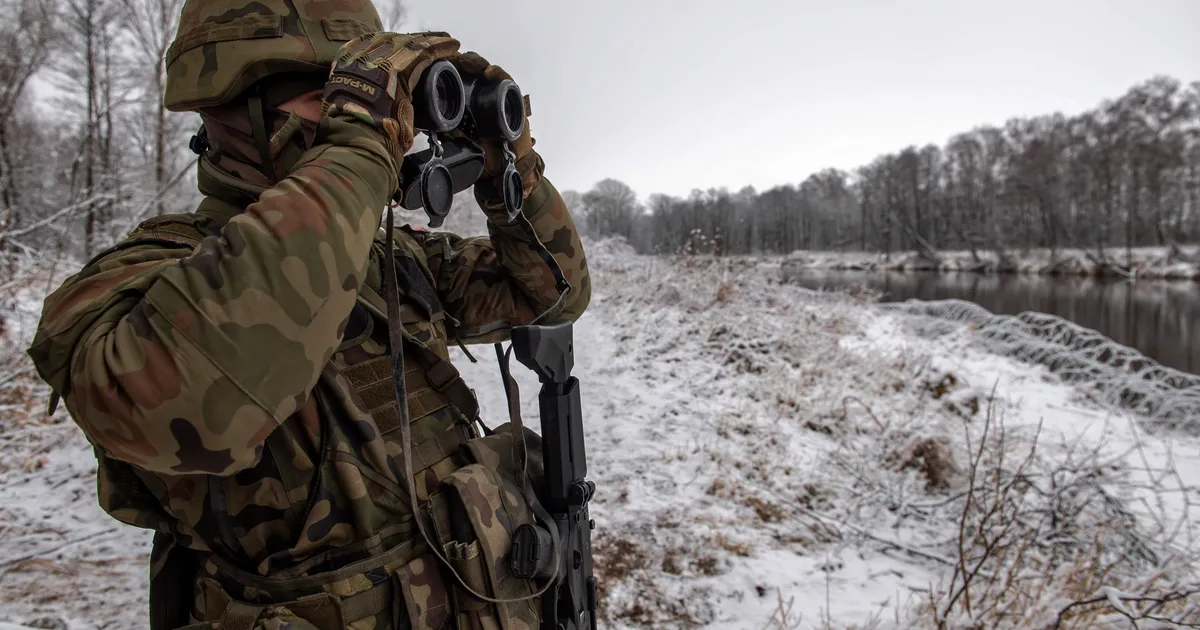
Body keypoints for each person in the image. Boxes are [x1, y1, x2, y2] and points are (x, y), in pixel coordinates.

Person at [26, 1, 590, 628]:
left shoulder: (394, 261)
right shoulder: (136, 281)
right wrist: (360, 145)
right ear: (240, 109)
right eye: (336, 96)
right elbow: (191, 402)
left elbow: (551, 293)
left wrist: (508, 165)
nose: (384, 123)